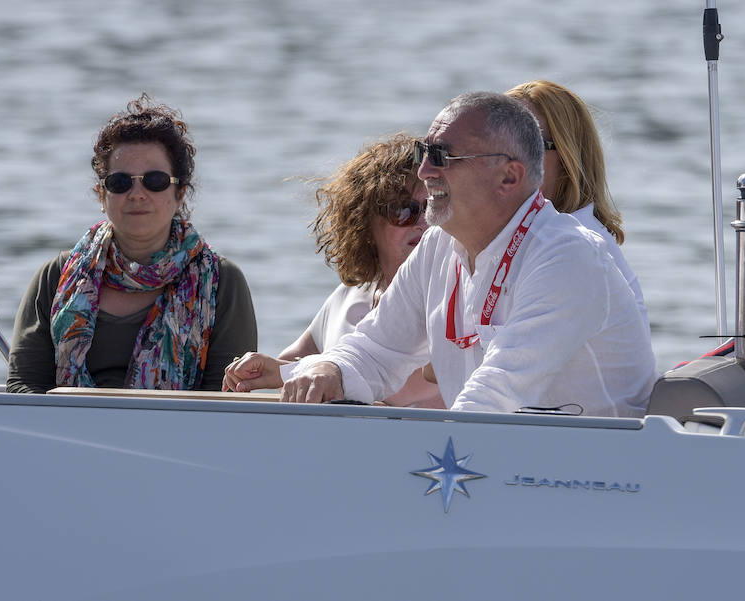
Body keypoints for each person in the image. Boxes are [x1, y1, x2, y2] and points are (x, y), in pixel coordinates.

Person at [224, 92, 658, 417]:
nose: (423, 171)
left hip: (590, 486)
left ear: (509, 177)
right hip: (503, 471)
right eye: (423, 153)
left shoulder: (569, 256)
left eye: (442, 156)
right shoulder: (438, 246)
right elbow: (376, 349)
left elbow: (497, 396)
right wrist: (327, 369)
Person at [7, 94, 257, 394]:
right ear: (102, 195)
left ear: (180, 194)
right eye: (120, 182)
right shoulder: (55, 276)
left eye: (154, 180)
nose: (137, 194)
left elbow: (225, 401)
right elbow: (24, 388)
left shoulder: (223, 282)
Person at [275, 133, 443, 408]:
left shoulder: (453, 298)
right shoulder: (349, 295)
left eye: (433, 207)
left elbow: (395, 388)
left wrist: (307, 370)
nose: (422, 223)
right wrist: (260, 370)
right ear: (365, 226)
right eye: (403, 211)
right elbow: (287, 363)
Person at [505, 79, 648, 328]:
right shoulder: (508, 238)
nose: (507, 161)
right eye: (496, 144)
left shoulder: (581, 249)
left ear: (567, 158)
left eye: (528, 144)